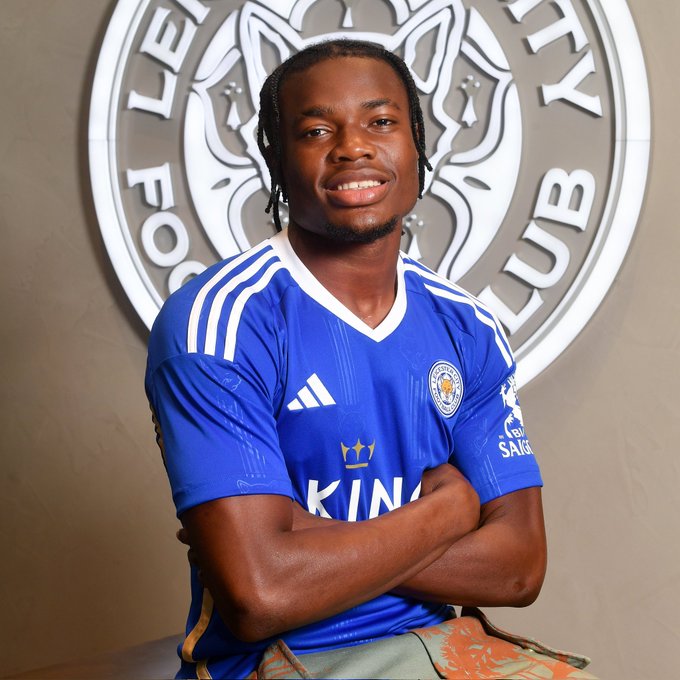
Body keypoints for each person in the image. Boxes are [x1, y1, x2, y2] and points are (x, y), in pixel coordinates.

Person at [146, 39, 594, 679]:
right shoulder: (220, 322)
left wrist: (310, 543)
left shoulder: (464, 326)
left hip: (442, 648)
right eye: (316, 129)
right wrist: (446, 513)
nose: (353, 146)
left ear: (418, 148)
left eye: (381, 122)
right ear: (276, 160)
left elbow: (519, 566)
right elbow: (260, 595)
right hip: (280, 659)